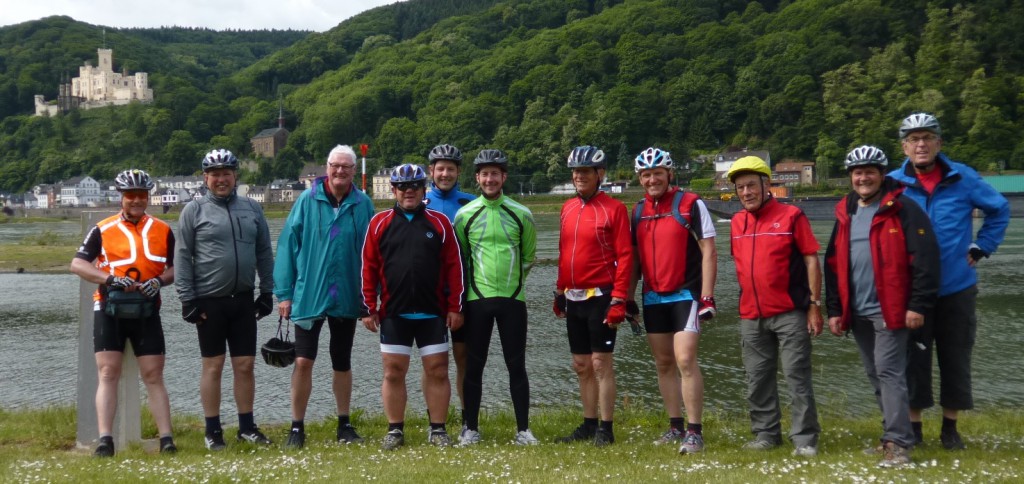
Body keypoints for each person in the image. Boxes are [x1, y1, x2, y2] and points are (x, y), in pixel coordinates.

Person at [887, 113, 1010, 450]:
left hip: (957, 286)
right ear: (905, 146)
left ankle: (950, 429)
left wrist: (982, 246)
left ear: (939, 143)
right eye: (913, 139)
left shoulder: (963, 178)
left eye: (927, 137)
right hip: (913, 290)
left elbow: (999, 209)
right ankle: (914, 429)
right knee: (913, 359)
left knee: (955, 357)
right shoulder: (893, 183)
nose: (921, 144)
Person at [824, 146, 941, 467]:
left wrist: (918, 304)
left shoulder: (903, 208)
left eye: (870, 171)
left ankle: (900, 445)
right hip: (857, 310)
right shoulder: (845, 212)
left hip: (891, 309)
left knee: (889, 373)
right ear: (851, 177)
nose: (863, 177)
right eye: (857, 172)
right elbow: (833, 264)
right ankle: (892, 435)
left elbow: (925, 259)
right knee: (876, 374)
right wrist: (835, 309)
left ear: (882, 174)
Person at [70, 169, 177, 457]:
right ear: (121, 197)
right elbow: (78, 264)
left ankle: (166, 439)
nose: (136, 200)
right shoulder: (102, 229)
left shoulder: (163, 230)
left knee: (154, 374)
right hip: (109, 308)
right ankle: (106, 440)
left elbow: (176, 268)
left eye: (142, 195)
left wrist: (160, 280)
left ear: (148, 197)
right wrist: (109, 279)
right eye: (131, 195)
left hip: (147, 309)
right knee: (108, 372)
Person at [274, 145, 374, 449]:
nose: (340, 171)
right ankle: (296, 426)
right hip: (309, 294)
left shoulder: (363, 204)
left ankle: (344, 423)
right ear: (326, 168)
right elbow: (287, 247)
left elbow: (373, 254)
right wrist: (284, 294)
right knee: (303, 360)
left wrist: (371, 298)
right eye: (335, 165)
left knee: (341, 360)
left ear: (354, 171)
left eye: (346, 166)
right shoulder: (307, 200)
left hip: (346, 295)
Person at [175, 149, 276, 450]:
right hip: (209, 300)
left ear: (235, 176)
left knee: (245, 365)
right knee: (213, 366)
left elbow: (263, 252)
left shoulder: (251, 209)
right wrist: (187, 299)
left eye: (226, 173)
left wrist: (267, 291)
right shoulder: (193, 211)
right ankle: (212, 430)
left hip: (243, 299)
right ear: (205, 178)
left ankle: (247, 426)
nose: (221, 179)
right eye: (215, 174)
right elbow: (182, 256)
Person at [361, 163, 465, 450]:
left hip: (433, 312)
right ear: (393, 190)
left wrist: (455, 306)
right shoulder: (379, 223)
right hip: (394, 312)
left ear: (424, 189)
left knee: (438, 370)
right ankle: (395, 430)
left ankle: (438, 429)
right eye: (403, 187)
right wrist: (369, 306)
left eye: (415, 187)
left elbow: (455, 267)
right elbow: (367, 268)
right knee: (393, 372)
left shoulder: (441, 223)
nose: (409, 192)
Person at [727, 156, 823, 457]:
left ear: (766, 185)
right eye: (740, 187)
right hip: (751, 315)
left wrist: (814, 305)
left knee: (796, 376)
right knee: (757, 379)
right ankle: (766, 434)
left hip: (790, 312)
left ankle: (805, 439)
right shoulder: (736, 223)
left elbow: (810, 259)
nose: (746, 192)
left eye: (751, 186)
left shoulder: (792, 215)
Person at [627, 148, 717, 454]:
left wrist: (707, 295)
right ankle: (675, 426)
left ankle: (695, 431)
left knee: (684, 359)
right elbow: (634, 261)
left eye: (657, 173)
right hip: (653, 296)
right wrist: (626, 298)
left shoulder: (691, 204)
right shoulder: (637, 211)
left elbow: (709, 251)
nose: (652, 179)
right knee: (663, 363)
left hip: (686, 294)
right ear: (640, 179)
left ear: (669, 174)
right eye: (646, 175)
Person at [453, 149, 539, 446]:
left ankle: (524, 430)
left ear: (504, 177)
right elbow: (462, 258)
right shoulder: (464, 215)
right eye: (484, 174)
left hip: (514, 300)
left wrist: (515, 287)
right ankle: (471, 428)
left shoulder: (521, 213)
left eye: (495, 174)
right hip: (477, 300)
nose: (490, 179)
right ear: (477, 178)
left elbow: (528, 256)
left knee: (517, 365)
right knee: (474, 366)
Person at [553, 145, 632, 447]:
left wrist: (619, 298)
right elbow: (564, 254)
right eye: (575, 172)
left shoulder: (614, 209)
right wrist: (559, 291)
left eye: (584, 171)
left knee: (601, 363)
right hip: (573, 297)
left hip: (602, 295)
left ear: (600, 174)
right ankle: (588, 424)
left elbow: (625, 257)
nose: (578, 176)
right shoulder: (567, 208)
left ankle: (606, 427)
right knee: (581, 364)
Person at [423, 143, 476, 425]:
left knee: (463, 358)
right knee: (432, 362)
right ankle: (435, 416)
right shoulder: (420, 203)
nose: (445, 174)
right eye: (440, 168)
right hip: (429, 294)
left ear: (458, 172)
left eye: (450, 169)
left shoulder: (470, 203)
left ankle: (468, 418)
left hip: (463, 293)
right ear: (431, 171)